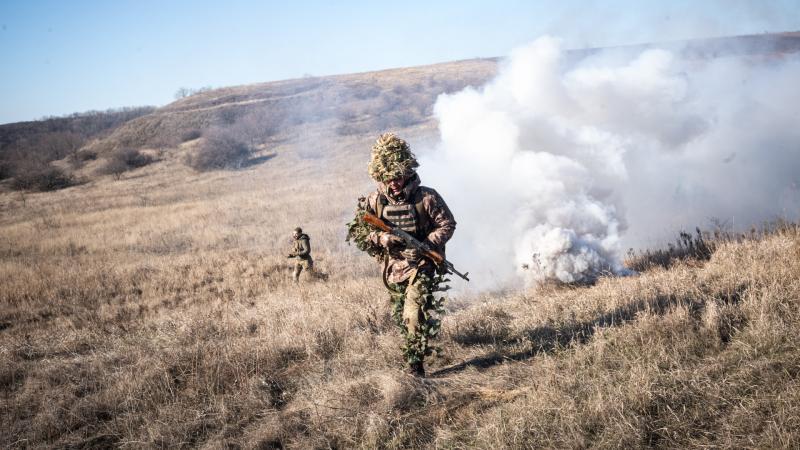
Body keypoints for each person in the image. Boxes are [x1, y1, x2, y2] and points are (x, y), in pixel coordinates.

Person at [347, 133, 456, 377]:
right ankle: (414, 353)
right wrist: (380, 238)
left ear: (406, 172)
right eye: (387, 178)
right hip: (394, 269)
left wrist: (426, 244)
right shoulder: (375, 201)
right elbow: (360, 230)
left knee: (413, 313)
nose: (393, 183)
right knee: (402, 315)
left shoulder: (427, 197)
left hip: (423, 264)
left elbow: (447, 224)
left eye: (397, 177)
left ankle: (415, 367)